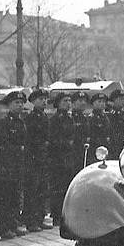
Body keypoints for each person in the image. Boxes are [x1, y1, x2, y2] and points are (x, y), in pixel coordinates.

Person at [0, 90, 28, 240]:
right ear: (9, 105)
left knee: (16, 196)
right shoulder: (3, 123)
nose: (20, 105)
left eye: (22, 103)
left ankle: (14, 224)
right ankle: (5, 227)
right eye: (16, 103)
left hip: (19, 164)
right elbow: (3, 144)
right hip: (7, 164)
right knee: (6, 197)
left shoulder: (21, 122)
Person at [24, 88, 50, 232]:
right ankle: (31, 221)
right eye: (40, 99)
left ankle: (40, 218)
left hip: (43, 158)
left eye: (45, 99)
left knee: (42, 189)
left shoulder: (44, 117)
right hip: (33, 158)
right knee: (32, 190)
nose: (44, 101)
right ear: (33, 102)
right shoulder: (30, 118)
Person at [49, 93, 75, 226]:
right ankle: (57, 216)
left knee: (68, 187)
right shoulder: (55, 119)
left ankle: (66, 215)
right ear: (58, 103)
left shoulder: (69, 118)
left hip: (69, 158)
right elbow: (53, 139)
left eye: (69, 101)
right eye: (65, 101)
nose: (68, 103)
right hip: (58, 158)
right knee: (58, 188)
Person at [107, 90, 124, 157]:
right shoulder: (110, 114)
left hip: (123, 144)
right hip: (113, 146)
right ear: (114, 100)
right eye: (120, 99)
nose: (123, 101)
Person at [89, 92, 113, 158]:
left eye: (103, 102)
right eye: (99, 101)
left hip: (106, 147)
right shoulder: (90, 117)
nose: (102, 104)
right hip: (95, 148)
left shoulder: (107, 116)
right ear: (93, 103)